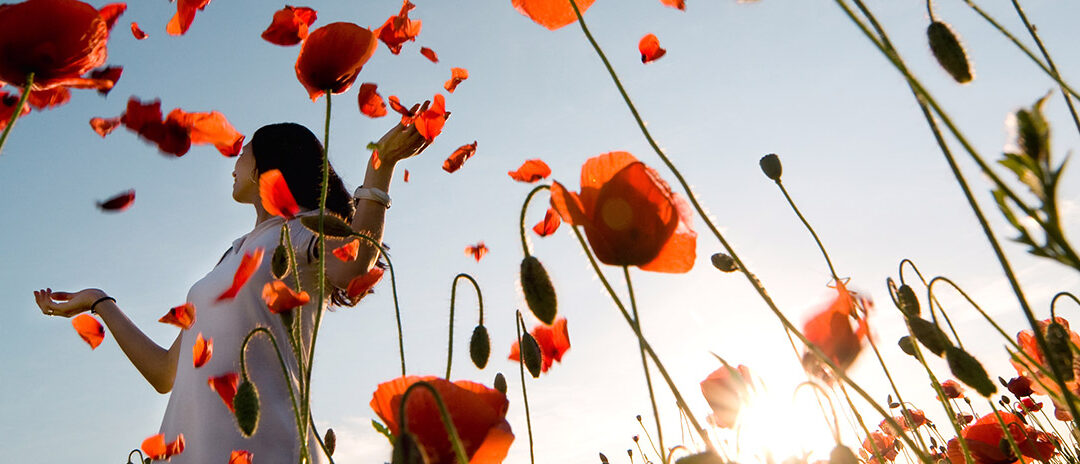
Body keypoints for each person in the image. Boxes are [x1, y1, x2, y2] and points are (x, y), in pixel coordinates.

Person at [33, 120, 429, 463]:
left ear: (266, 165)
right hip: (190, 449)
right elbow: (164, 373)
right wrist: (99, 302)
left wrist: (382, 164)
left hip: (266, 445)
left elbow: (354, 264)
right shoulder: (229, 258)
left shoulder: (304, 229)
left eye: (243, 153)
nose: (233, 165)